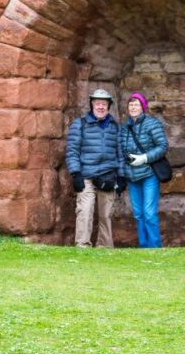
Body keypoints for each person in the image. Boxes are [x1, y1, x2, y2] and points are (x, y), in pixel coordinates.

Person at [65, 88, 127, 247]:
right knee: (85, 211)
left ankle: (105, 247)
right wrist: (75, 173)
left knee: (106, 215)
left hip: (107, 176)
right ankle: (82, 246)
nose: (101, 107)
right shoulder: (80, 124)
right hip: (86, 175)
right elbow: (72, 150)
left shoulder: (115, 126)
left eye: (104, 104)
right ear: (92, 105)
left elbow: (120, 153)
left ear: (109, 106)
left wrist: (121, 176)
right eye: (98, 103)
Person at [119, 92, 168, 248]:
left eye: (137, 105)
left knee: (149, 213)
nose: (133, 107)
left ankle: (154, 247)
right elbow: (120, 150)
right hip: (132, 176)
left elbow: (163, 146)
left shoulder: (152, 124)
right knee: (138, 214)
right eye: (131, 105)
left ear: (143, 107)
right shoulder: (125, 127)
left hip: (148, 174)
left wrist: (144, 157)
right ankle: (143, 245)